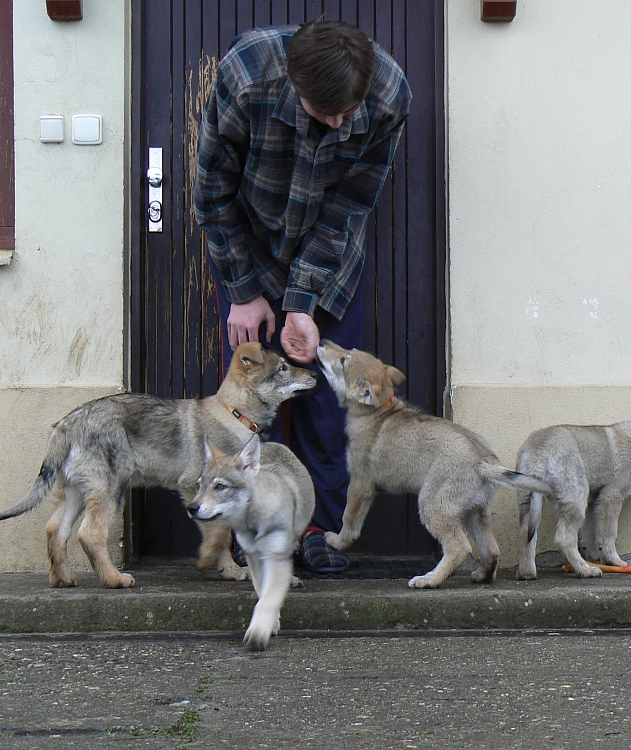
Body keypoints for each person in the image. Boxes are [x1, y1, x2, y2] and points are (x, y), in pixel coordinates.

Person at [193, 19, 410, 572]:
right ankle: (248, 531)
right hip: (247, 242)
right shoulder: (246, 76)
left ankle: (319, 528)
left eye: (348, 113)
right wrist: (244, 291)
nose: (340, 124)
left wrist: (302, 302)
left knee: (326, 397)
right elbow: (212, 191)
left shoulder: (387, 96)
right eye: (325, 112)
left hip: (330, 255)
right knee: (247, 400)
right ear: (293, 86)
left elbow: (351, 204)